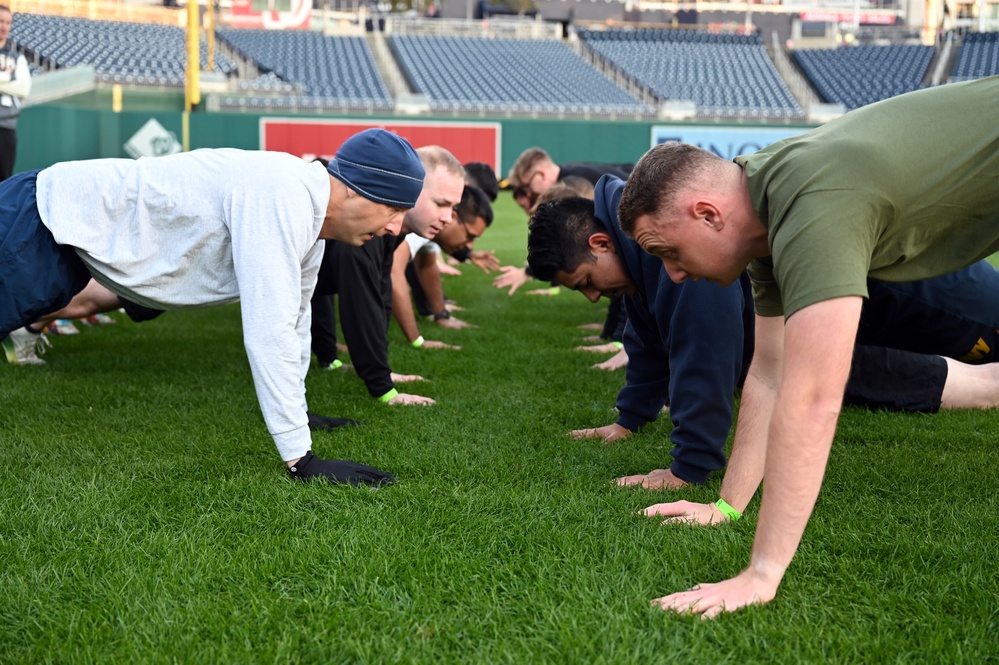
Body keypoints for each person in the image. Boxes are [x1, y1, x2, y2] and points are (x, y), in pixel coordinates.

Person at [616, 77, 999, 617]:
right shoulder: (765, 215)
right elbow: (769, 373)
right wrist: (727, 506)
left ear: (707, 214)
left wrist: (760, 574)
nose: (673, 276)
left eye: (668, 252)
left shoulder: (809, 200)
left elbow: (815, 394)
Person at [0, 128, 426, 486]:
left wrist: (300, 415)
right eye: (392, 210)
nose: (394, 228)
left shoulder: (311, 213)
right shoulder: (284, 195)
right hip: (39, 217)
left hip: (56, 229)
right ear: (353, 191)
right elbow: (269, 329)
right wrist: (301, 459)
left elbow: (297, 318)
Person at [529, 180, 999, 491]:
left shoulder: (661, 242)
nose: (592, 298)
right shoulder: (637, 237)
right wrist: (628, 420)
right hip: (856, 305)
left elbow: (703, 350)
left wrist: (687, 469)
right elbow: (649, 339)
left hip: (947, 306)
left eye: (586, 283)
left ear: (600, 243)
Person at [389, 146, 467, 350]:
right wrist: (417, 341)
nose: (448, 218)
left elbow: (427, 265)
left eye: (453, 208)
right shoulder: (402, 228)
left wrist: (440, 314)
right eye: (441, 204)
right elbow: (393, 276)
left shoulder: (420, 228)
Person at [506, 146, 631, 214]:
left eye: (527, 186)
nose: (529, 193)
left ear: (542, 174)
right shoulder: (574, 170)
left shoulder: (569, 186)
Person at [0, 5, 29, 182]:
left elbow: (23, 89)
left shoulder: (17, 57)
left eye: (8, 22)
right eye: (1, 21)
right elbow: (16, 85)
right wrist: (8, 78)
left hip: (7, 129)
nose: (4, 26)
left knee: (4, 181)